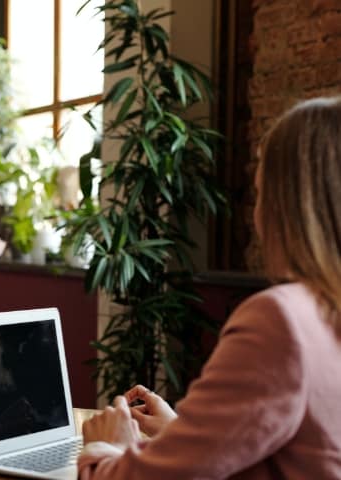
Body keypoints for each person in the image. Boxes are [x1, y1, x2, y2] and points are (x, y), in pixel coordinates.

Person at [78, 96, 341, 479]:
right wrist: (181, 434)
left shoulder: (282, 318)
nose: (255, 213)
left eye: (259, 191)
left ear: (286, 205)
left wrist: (108, 447)